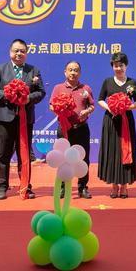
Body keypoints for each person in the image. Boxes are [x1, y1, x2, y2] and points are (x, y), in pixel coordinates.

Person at [0, 39, 46, 200]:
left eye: (22, 51)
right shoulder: (0, 69)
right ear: (10, 52)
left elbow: (41, 92)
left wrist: (28, 98)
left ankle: (25, 186)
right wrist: (8, 96)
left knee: (24, 154)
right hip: (4, 118)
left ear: (26, 53)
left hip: (25, 119)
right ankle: (2, 186)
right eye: (16, 50)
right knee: (3, 154)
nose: (19, 53)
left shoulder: (33, 70)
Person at [97, 52, 136, 198]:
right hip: (111, 121)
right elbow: (100, 99)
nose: (118, 68)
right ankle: (114, 186)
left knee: (126, 151)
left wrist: (126, 107)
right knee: (112, 152)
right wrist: (110, 108)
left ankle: (124, 186)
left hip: (126, 121)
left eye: (121, 65)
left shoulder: (132, 83)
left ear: (126, 66)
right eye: (115, 66)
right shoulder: (107, 82)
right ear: (112, 67)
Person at [49, 61, 95, 199]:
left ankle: (83, 187)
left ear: (79, 73)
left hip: (81, 128)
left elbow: (92, 106)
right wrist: (59, 110)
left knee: (84, 158)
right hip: (64, 129)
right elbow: (51, 106)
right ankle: (63, 187)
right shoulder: (58, 88)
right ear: (65, 72)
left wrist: (87, 111)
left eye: (76, 70)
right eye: (70, 70)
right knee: (62, 159)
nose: (73, 73)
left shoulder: (86, 88)